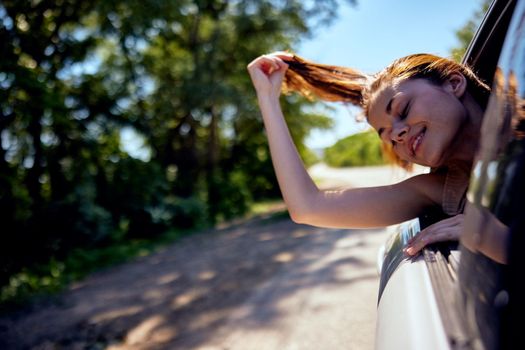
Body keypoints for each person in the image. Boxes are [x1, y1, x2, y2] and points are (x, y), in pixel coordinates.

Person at [247, 51, 491, 256]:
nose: (396, 135)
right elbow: (308, 207)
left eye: (403, 109)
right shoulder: (438, 189)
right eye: (387, 137)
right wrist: (267, 98)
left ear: (454, 83)